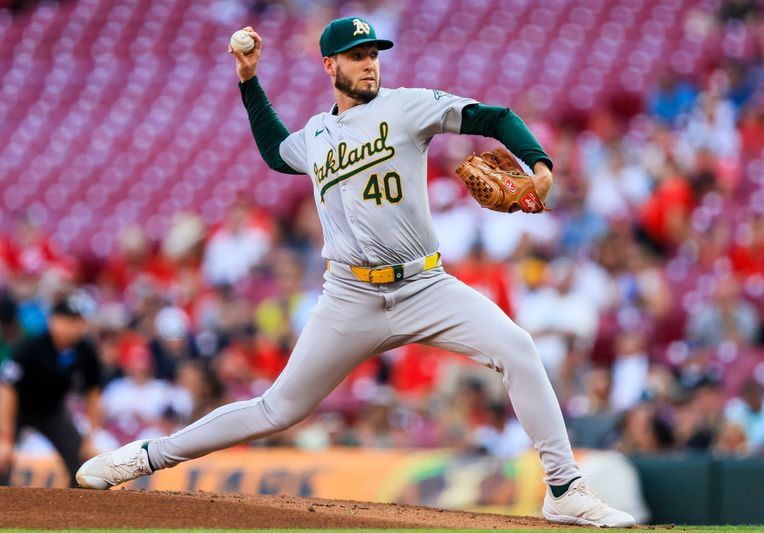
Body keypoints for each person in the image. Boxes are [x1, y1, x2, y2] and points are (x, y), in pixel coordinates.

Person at [76, 17, 635, 527]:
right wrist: (249, 80)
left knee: (516, 348)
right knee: (276, 409)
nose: (370, 62)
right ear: (330, 65)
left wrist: (538, 163)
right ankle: (143, 457)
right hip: (348, 295)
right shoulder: (318, 135)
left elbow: (494, 117)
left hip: (424, 284)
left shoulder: (408, 105)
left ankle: (563, 488)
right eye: (356, 54)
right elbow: (276, 151)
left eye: (373, 52)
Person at [0, 296, 103, 487]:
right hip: (18, 409)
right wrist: (5, 438)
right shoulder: (31, 347)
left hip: (52, 411)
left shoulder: (85, 351)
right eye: (70, 320)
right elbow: (7, 389)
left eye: (79, 320)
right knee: (2, 457)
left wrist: (90, 438)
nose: (76, 326)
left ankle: (80, 509)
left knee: (83, 461)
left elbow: (93, 393)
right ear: (53, 321)